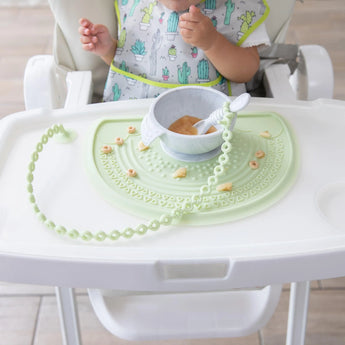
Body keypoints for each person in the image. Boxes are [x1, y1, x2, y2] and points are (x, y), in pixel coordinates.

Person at [79, 0, 270, 101]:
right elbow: (132, 65)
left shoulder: (237, 7)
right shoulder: (138, 5)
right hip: (135, 119)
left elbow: (247, 70)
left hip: (208, 122)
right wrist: (108, 49)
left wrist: (213, 43)